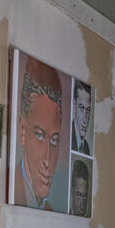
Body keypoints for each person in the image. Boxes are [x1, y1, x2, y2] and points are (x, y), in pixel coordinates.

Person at [14, 62, 67, 211]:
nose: (47, 160)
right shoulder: (12, 190)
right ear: (23, 131)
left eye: (54, 140)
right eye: (40, 135)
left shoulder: (49, 209)